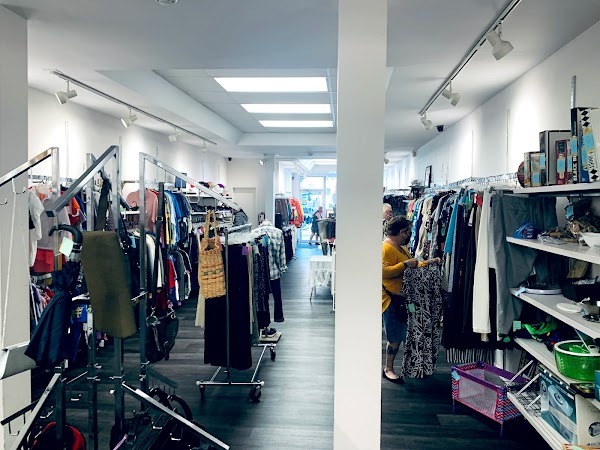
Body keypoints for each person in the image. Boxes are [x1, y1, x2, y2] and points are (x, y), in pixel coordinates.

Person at [381, 216, 440, 383]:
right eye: (408, 232)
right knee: (394, 337)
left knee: (401, 335)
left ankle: (395, 367)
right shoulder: (386, 248)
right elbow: (383, 272)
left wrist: (428, 263)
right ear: (401, 232)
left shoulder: (400, 248)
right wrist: (404, 265)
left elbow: (413, 265)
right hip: (391, 301)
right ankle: (388, 369)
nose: (410, 235)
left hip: (402, 300)